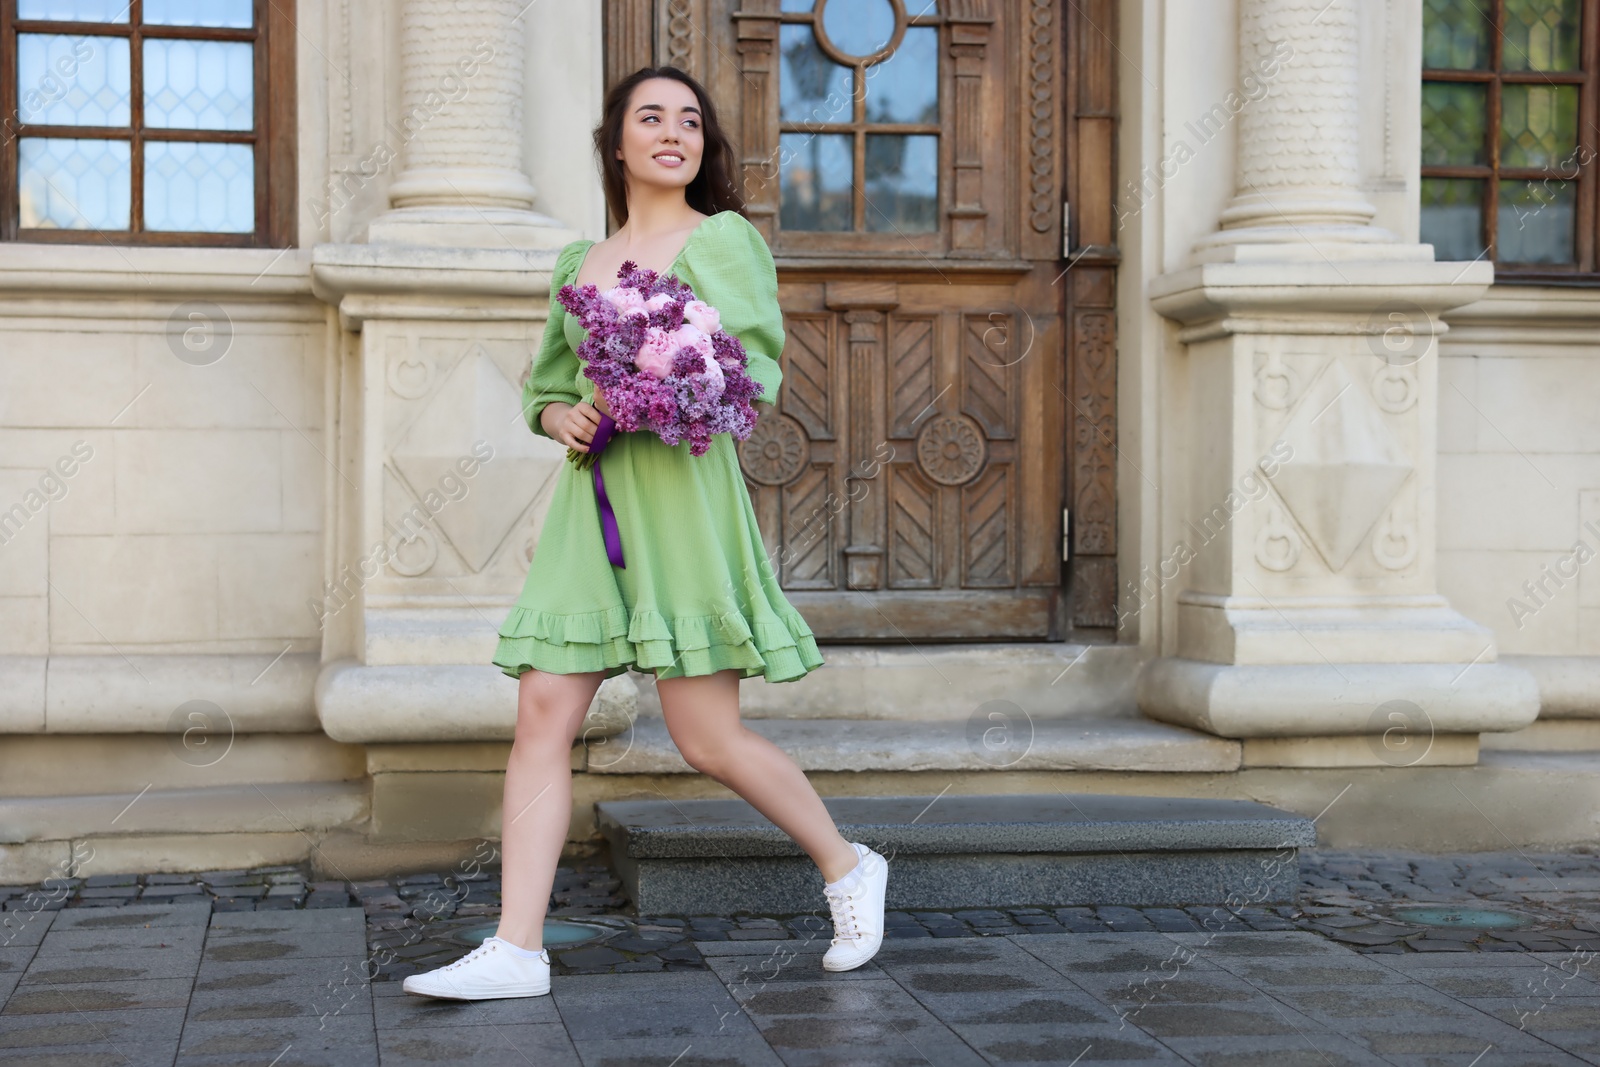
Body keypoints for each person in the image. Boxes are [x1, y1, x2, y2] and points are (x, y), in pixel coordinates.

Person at [402, 66, 889, 1001]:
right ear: (615, 143)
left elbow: (752, 376)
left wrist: (657, 387)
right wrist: (562, 419)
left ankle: (846, 864)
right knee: (544, 707)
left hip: (681, 499)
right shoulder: (576, 265)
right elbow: (546, 387)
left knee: (704, 736)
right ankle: (517, 947)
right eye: (651, 117)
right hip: (595, 509)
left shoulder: (722, 240)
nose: (675, 132)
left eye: (691, 121)